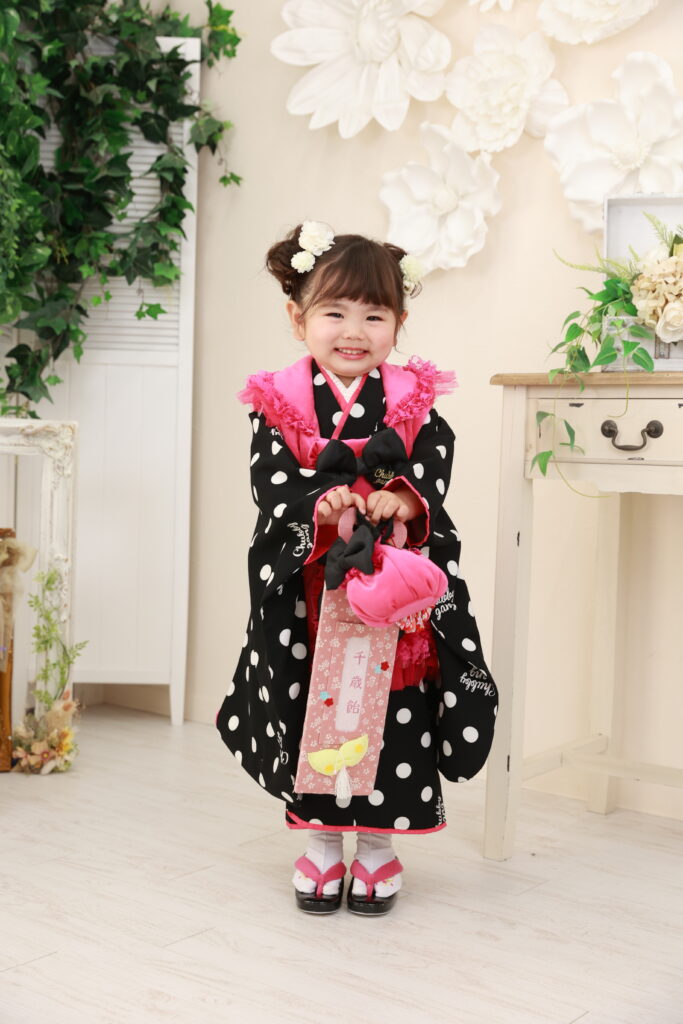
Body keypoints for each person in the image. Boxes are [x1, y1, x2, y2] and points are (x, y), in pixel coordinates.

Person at [216, 221, 499, 916]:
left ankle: (377, 845)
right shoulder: (280, 399)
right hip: (314, 581)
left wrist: (403, 496)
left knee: (395, 707)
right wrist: (321, 502)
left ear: (398, 323)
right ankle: (319, 843)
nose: (353, 331)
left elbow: (432, 465)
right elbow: (270, 482)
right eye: (334, 312)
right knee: (312, 704)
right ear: (297, 319)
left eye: (374, 315)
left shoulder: (412, 399)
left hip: (392, 582)